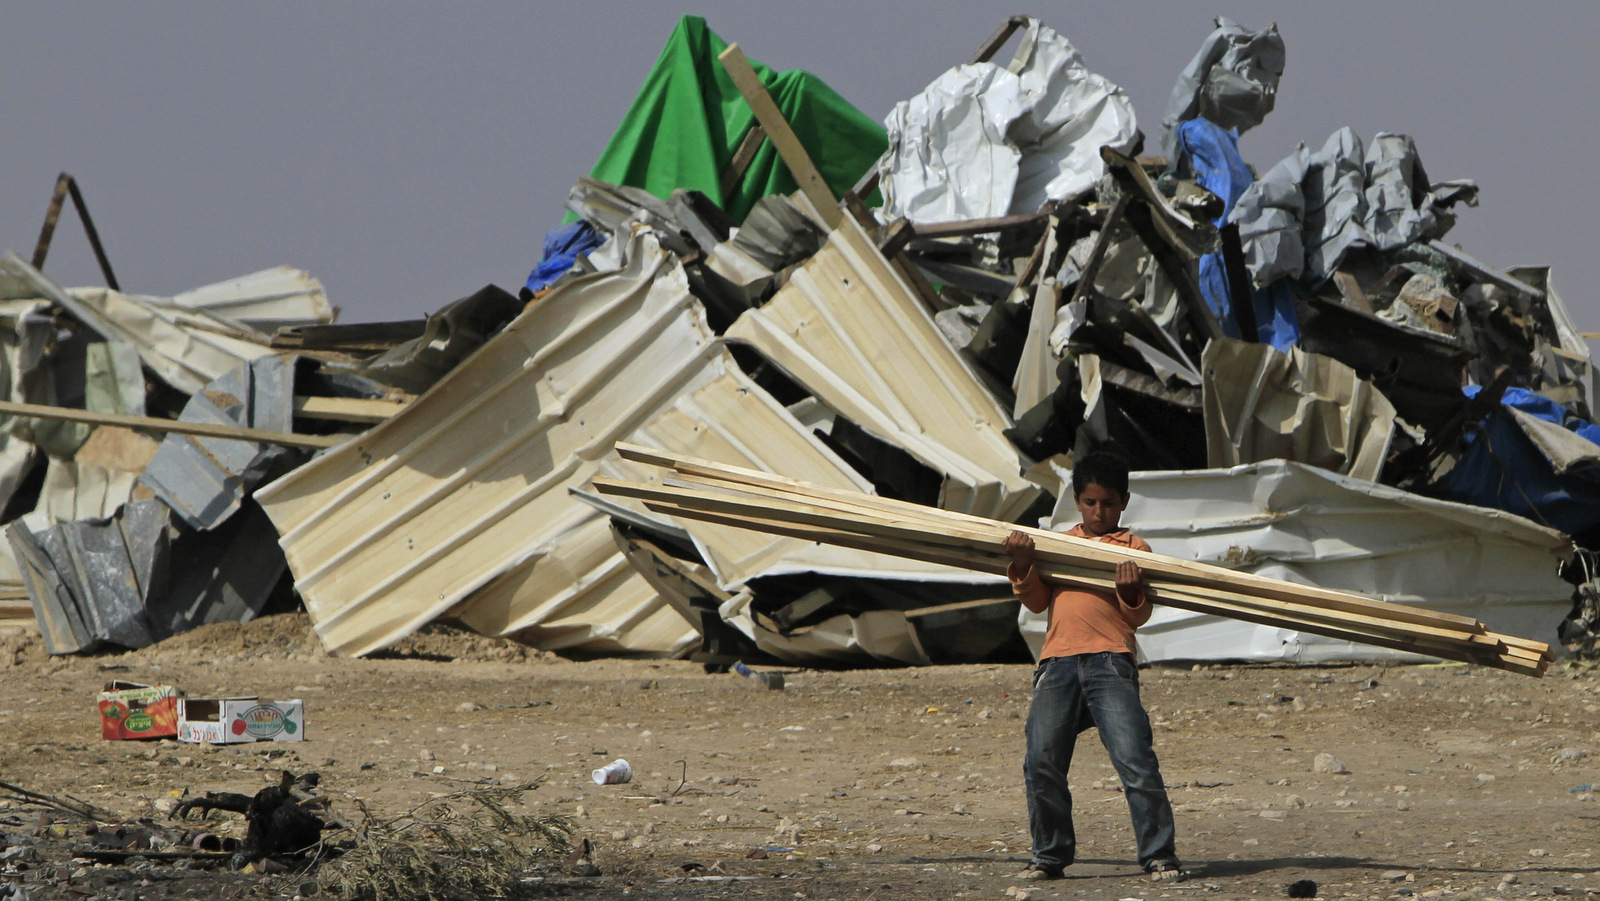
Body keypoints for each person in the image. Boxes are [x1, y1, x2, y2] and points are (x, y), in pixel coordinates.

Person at [1002, 450, 1183, 883]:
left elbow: (1138, 617)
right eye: (1090, 502)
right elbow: (1038, 600)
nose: (1099, 512)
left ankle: (1160, 855)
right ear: (1078, 501)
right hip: (1057, 662)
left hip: (1110, 662)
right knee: (1041, 760)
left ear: (1123, 501)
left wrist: (1130, 590)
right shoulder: (1058, 544)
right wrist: (1024, 565)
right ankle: (1049, 855)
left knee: (1135, 759)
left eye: (1107, 502)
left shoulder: (1134, 551)